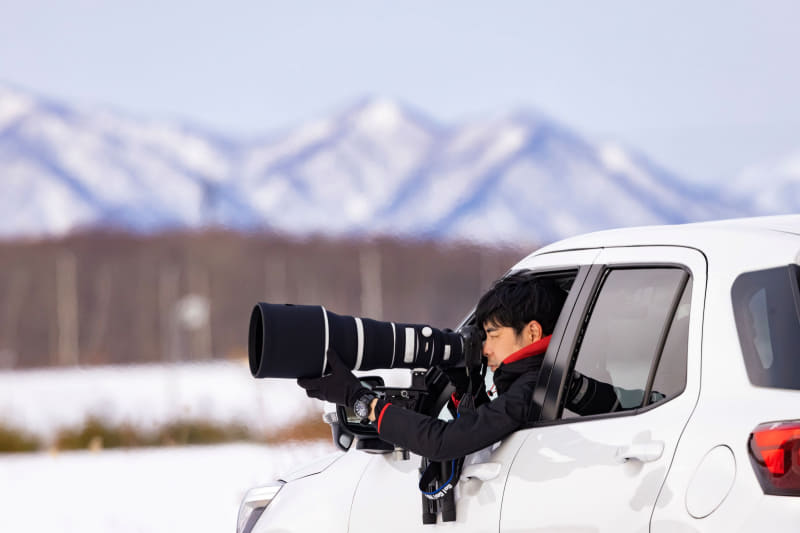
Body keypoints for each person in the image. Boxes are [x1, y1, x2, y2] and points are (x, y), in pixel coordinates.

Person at [297, 272, 567, 461]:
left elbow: (444, 442)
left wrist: (362, 401)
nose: (485, 349)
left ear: (532, 332)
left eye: (493, 335)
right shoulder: (554, 381)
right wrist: (466, 389)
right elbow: (488, 425)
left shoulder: (535, 390)